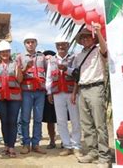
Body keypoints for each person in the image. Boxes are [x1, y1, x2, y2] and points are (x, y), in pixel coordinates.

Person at [71, 24, 110, 166]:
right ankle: (92, 152)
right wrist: (75, 93)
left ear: (93, 39)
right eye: (83, 37)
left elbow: (105, 50)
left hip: (96, 88)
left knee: (100, 124)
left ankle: (104, 156)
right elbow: (77, 76)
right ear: (80, 41)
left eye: (88, 36)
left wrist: (98, 31)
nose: (85, 39)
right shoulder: (79, 55)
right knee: (86, 124)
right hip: (82, 89)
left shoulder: (98, 50)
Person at [46, 37, 82, 157]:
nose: (61, 47)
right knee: (61, 121)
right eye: (58, 45)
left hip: (71, 92)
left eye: (63, 44)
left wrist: (67, 69)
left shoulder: (74, 57)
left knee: (75, 119)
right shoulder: (52, 60)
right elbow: (49, 77)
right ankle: (67, 145)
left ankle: (76, 145)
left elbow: (78, 74)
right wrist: (49, 92)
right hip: (57, 93)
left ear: (68, 45)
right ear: (56, 46)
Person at [17, 33, 47, 154]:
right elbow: (17, 76)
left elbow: (48, 73)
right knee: (25, 119)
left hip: (40, 92)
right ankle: (25, 143)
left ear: (36, 43)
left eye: (32, 42)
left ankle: (36, 144)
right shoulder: (19, 57)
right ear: (24, 44)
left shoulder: (42, 57)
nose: (30, 44)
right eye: (28, 42)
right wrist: (25, 67)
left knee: (38, 119)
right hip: (26, 92)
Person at [0, 40, 23, 158]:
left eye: (7, 51)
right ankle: (6, 145)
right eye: (2, 52)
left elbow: (20, 80)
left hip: (14, 98)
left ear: (10, 52)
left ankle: (11, 146)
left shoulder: (15, 64)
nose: (5, 53)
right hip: (0, 98)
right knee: (4, 122)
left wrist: (19, 69)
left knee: (13, 122)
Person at [42, 50, 57, 149]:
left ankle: (66, 141)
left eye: (49, 59)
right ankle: (52, 140)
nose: (48, 62)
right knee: (49, 120)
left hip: (58, 94)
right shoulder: (40, 71)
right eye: (46, 60)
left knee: (62, 120)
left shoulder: (57, 69)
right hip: (46, 97)